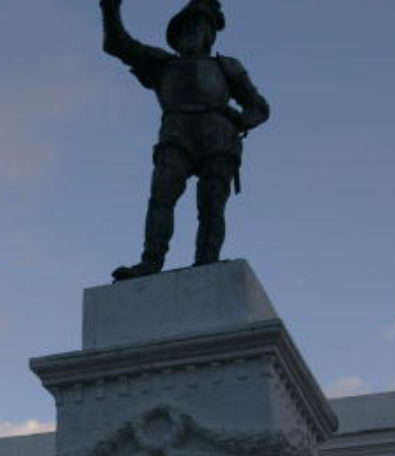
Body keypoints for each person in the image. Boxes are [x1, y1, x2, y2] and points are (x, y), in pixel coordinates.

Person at [102, 0, 270, 281]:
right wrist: (110, 9)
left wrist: (240, 120)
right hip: (176, 134)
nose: (189, 32)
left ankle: (206, 261)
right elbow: (117, 44)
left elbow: (260, 107)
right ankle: (150, 262)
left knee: (212, 204)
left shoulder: (227, 66)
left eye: (196, 26)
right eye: (182, 29)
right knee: (161, 196)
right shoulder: (162, 64)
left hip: (219, 137)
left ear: (209, 33)